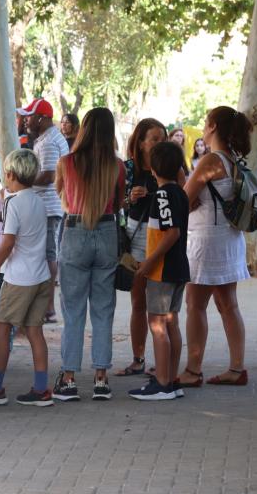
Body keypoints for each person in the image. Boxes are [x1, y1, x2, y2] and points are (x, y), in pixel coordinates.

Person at [0, 149, 54, 407]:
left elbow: (8, 241)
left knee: (1, 329)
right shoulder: (39, 201)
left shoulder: (13, 203)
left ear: (11, 174)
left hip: (20, 278)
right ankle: (41, 389)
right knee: (34, 331)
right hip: (41, 275)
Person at [53, 107, 126, 401]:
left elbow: (63, 197)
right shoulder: (117, 166)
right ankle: (100, 378)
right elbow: (119, 202)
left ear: (82, 129)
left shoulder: (66, 162)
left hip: (75, 231)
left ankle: (69, 378)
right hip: (107, 231)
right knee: (103, 309)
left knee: (73, 310)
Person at [176, 106, 251, 388]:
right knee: (228, 304)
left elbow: (185, 198)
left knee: (195, 304)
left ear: (214, 127)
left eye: (206, 123)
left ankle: (193, 371)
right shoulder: (232, 159)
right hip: (228, 238)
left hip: (207, 240)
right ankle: (237, 367)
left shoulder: (210, 160)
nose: (203, 128)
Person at [128, 142, 190, 401]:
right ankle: (172, 379)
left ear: (153, 167)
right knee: (171, 323)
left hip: (163, 270)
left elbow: (171, 233)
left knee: (158, 324)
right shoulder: (180, 193)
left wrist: (149, 262)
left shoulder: (163, 196)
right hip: (178, 269)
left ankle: (163, 382)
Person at [113, 118, 167, 378]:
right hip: (135, 238)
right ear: (141, 142)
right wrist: (128, 198)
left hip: (162, 239)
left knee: (161, 305)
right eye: (154, 139)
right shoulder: (128, 168)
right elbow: (114, 204)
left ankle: (162, 361)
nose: (159, 144)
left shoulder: (169, 166)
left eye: (162, 139)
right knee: (138, 302)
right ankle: (138, 359)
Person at [17, 98, 69, 324]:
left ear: (43, 118)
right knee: (47, 253)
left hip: (48, 207)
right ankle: (44, 306)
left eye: (30, 116)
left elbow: (48, 176)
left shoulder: (48, 142)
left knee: (48, 254)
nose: (27, 120)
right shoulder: (47, 138)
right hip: (48, 206)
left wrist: (23, 182)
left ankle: (48, 308)